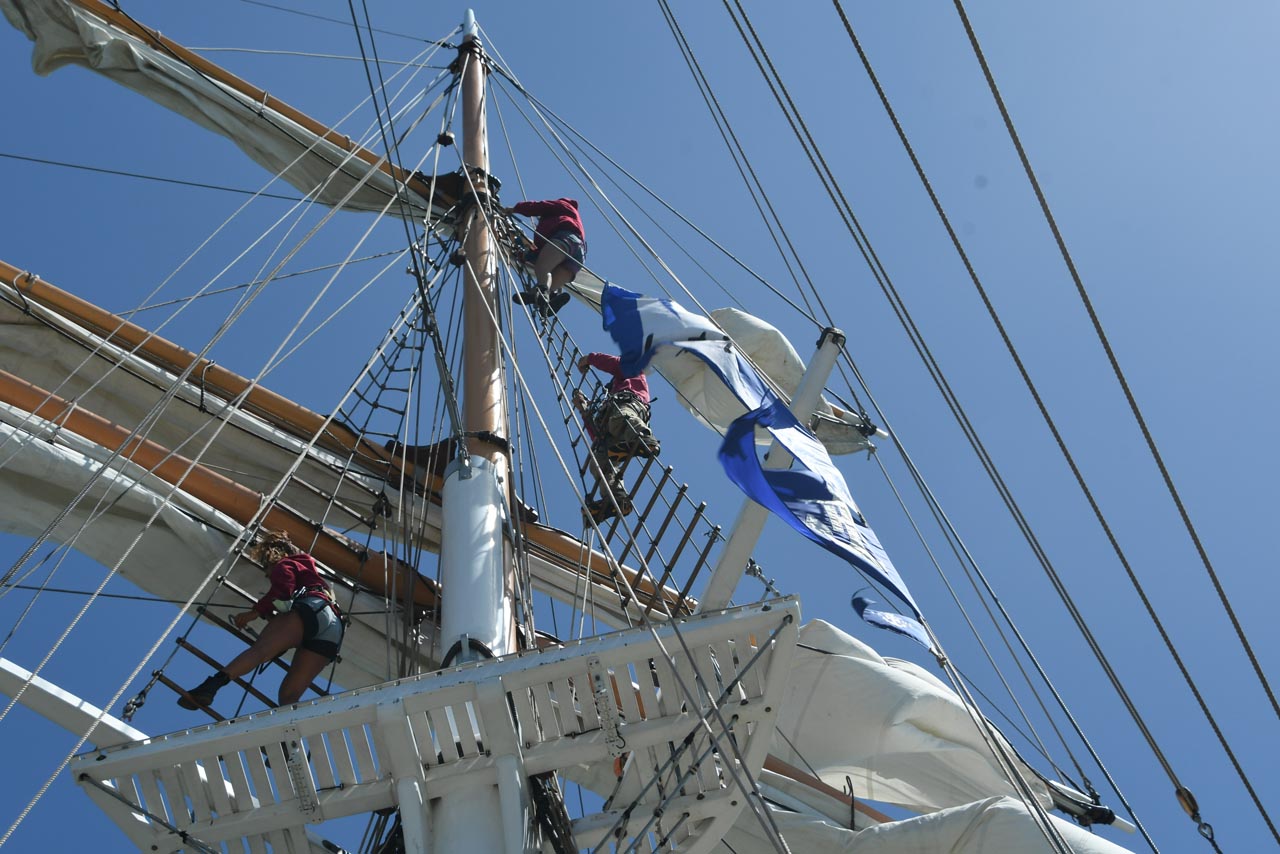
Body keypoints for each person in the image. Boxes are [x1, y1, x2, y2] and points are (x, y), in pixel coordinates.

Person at [179, 531, 345, 711]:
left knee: (260, 652)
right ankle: (294, 733)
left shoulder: (285, 564)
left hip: (312, 608)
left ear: (272, 557)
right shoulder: (311, 573)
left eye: (266, 568)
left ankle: (210, 687)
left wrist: (254, 612)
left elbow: (283, 590)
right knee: (288, 697)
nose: (267, 575)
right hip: (333, 630)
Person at [573, 352, 661, 523]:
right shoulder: (612, 394)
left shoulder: (631, 371)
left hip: (628, 406)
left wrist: (589, 358)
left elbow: (614, 364)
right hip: (613, 426)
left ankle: (644, 440)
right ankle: (616, 498)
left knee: (620, 419)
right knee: (597, 461)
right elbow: (597, 436)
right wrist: (583, 410)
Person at [503, 198, 586, 315]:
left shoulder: (563, 205)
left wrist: (515, 209)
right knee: (549, 286)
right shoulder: (572, 219)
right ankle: (547, 302)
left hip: (565, 239)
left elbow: (540, 206)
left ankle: (542, 293)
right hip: (578, 255)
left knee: (543, 267)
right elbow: (541, 252)